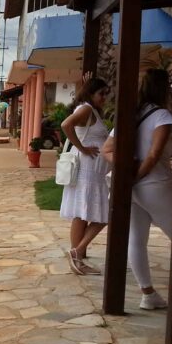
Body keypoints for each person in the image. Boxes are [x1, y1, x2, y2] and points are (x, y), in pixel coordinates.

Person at [101, 69, 172, 310]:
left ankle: (148, 294)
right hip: (154, 185)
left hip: (131, 189)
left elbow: (107, 150)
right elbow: (154, 154)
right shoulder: (162, 116)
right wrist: (137, 175)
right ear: (164, 89)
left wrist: (127, 174)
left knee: (137, 239)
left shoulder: (130, 114)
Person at [59, 77, 110, 275]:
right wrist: (81, 147)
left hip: (94, 171)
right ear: (91, 93)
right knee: (103, 214)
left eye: (106, 94)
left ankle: (77, 257)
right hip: (88, 170)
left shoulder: (91, 109)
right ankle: (78, 253)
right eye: (101, 94)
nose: (104, 98)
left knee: (81, 214)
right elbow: (66, 125)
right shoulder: (86, 108)